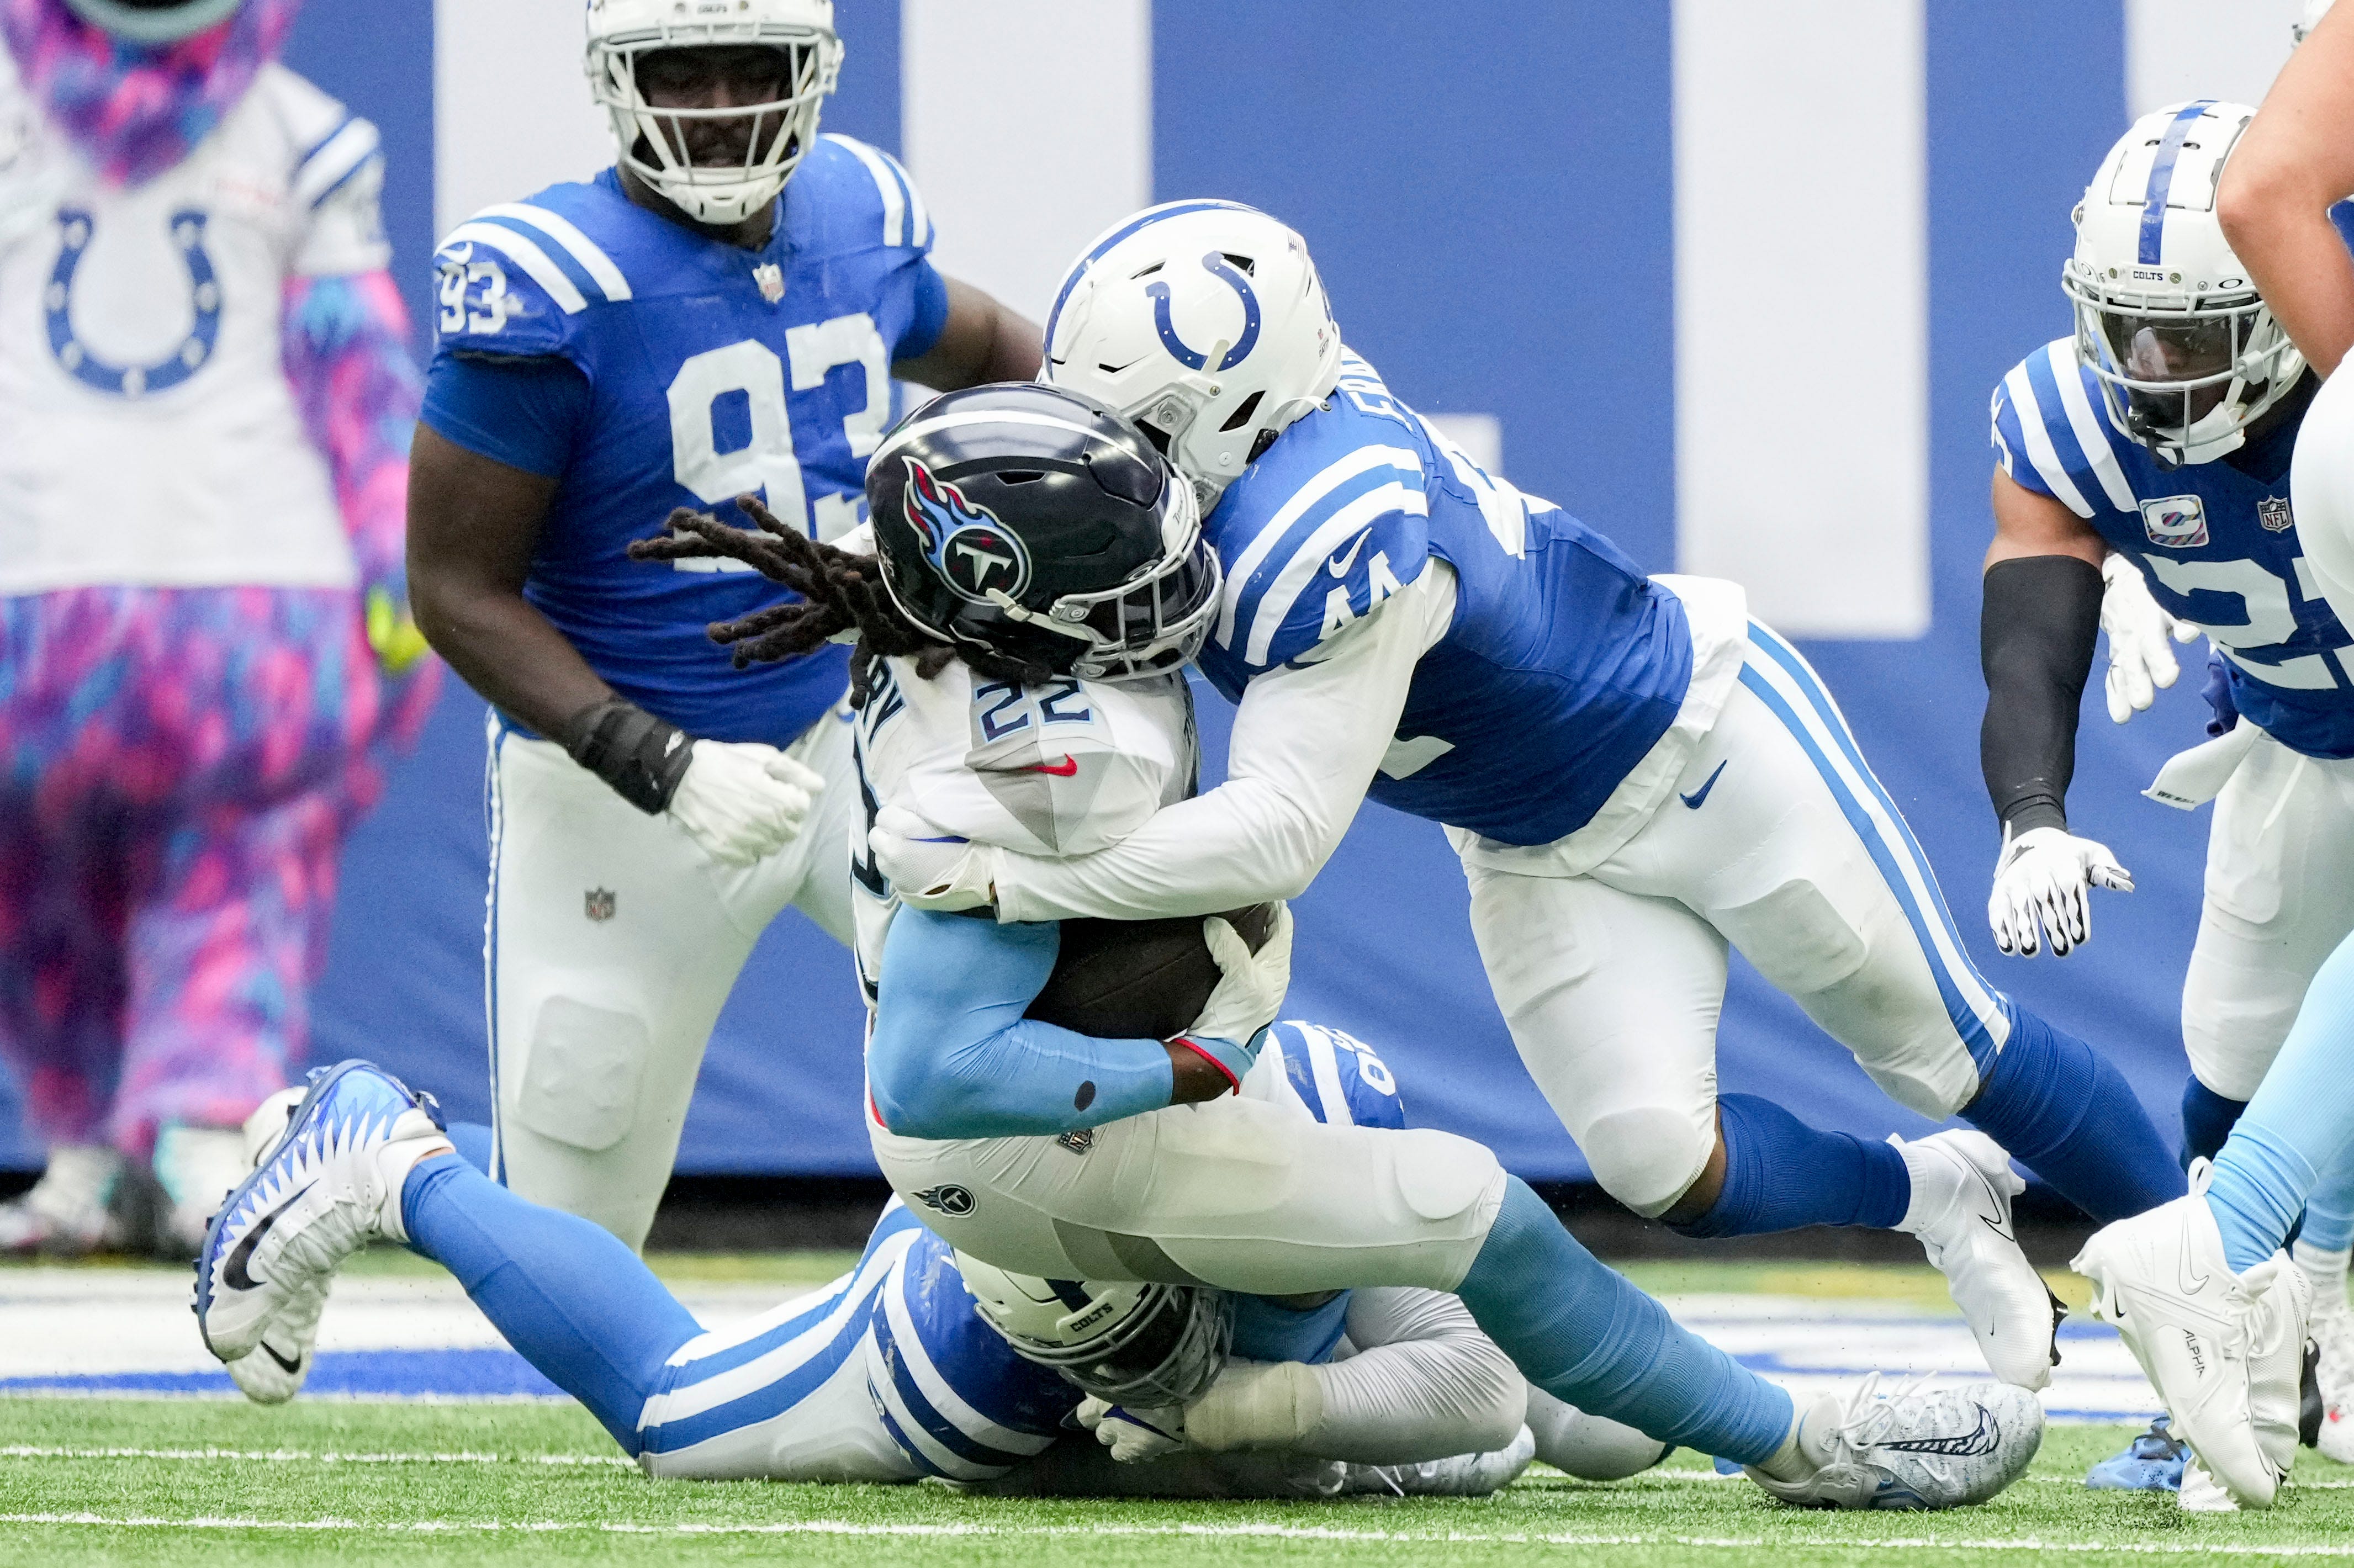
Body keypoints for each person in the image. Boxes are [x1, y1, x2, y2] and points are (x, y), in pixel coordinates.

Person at [610, 380, 2046, 1511]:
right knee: (1473, 1274)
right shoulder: (1054, 748)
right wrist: (1156, 1059)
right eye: (1111, 578)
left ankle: (1645, 1421)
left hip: (1138, 1110)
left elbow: (982, 510)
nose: (1168, 595)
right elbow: (933, 1068)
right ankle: (1795, 1438)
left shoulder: (984, 649)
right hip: (1033, 1197)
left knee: (1549, 1403)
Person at [872, 204, 2184, 1387]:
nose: (1121, 459)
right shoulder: (1243, 435)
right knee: (1655, 1164)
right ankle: (1938, 1198)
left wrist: (1019, 876)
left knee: (1943, 1045)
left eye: (1146, 431)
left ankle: (2208, 1302)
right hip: (1527, 836)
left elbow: (1277, 834)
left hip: (1698, 743)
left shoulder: (1324, 525)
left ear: (1236, 411)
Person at [403, 0, 1040, 1251]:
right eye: (675, 73)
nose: (714, 105)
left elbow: (1008, 354)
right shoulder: (554, 283)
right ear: (614, 81)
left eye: (747, 68)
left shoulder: (857, 216)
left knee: (1004, 1074)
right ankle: (361, 1150)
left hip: (853, 738)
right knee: (568, 1235)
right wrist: (655, 757)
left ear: (810, 73)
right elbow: (455, 590)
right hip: (624, 780)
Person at [196, 1026, 1633, 1500]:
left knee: (1587, 1427)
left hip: (1115, 1245)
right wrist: (1250, 1419)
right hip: (980, 1324)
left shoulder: (1310, 1114)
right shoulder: (1004, 1323)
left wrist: (1294, 1410)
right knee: (677, 1417)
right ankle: (394, 1162)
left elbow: (1486, 1383)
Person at [0, 0, 436, 1262]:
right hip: (33, 568)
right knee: (29, 891)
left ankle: (197, 1127)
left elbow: (358, 369)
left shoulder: (307, 142)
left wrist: (390, 552)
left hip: (253, 578)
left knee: (240, 865)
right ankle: (84, 1139)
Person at [1979, 100, 2354, 1493]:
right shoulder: (2072, 420)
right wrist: (2031, 814)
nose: (2151, 370)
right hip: (2297, 744)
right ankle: (2232, 1371)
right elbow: (2027, 623)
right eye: (2127, 329)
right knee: (2232, 1069)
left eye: (2190, 336)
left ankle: (2300, 1276)